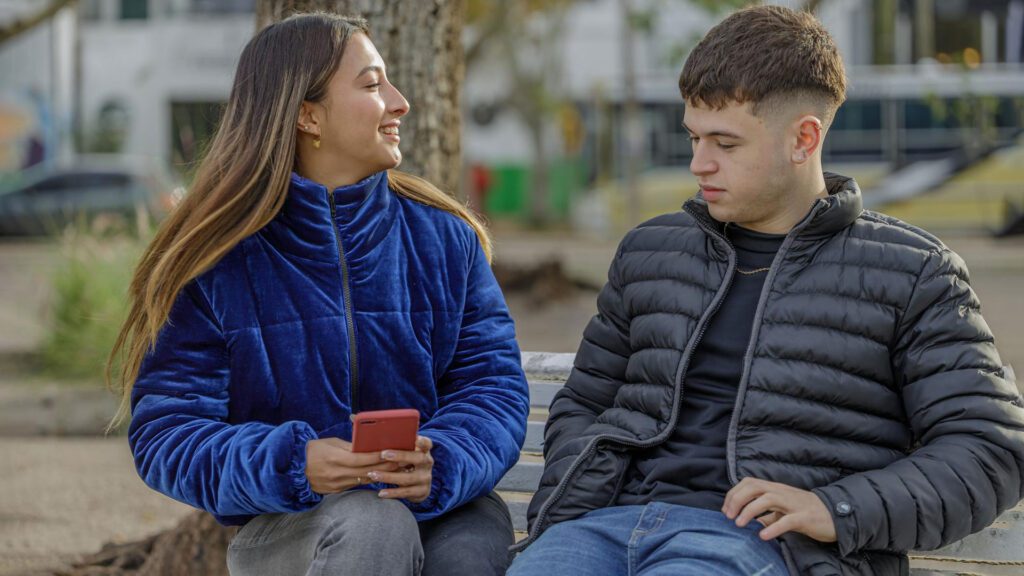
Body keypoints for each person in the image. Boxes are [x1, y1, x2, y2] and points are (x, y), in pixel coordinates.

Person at [508, 6, 1024, 576]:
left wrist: (837, 508)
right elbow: (584, 402)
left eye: (725, 144)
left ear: (804, 138)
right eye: (693, 137)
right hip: (604, 529)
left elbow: (987, 448)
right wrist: (572, 502)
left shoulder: (914, 272)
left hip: (766, 547)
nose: (698, 164)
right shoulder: (650, 251)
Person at [107, 12, 529, 576]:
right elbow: (167, 433)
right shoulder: (214, 261)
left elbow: (493, 387)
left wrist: (444, 462)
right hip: (293, 528)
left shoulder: (444, 238)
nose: (400, 103)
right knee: (374, 524)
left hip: (444, 508)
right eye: (374, 85)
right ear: (308, 115)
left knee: (470, 552)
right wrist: (292, 464)